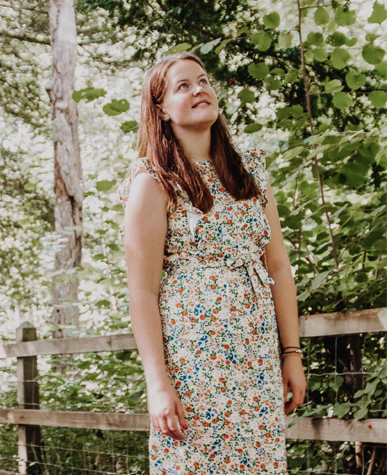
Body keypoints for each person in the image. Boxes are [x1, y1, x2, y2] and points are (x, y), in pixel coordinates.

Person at [119, 52, 306, 473]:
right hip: (194, 365)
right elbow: (142, 290)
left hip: (257, 359)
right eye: (183, 86)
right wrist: (157, 383)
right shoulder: (153, 180)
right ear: (161, 110)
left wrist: (291, 353)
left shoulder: (249, 170)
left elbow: (278, 266)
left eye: (203, 80)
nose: (199, 89)